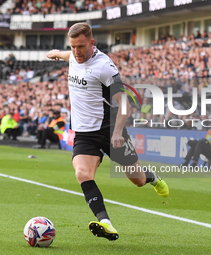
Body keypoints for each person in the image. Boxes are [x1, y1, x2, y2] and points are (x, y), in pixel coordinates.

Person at [46, 22, 169, 241]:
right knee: (82, 173)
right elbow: (70, 56)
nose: (76, 52)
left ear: (92, 43)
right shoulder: (74, 55)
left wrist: (118, 132)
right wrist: (58, 54)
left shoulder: (104, 67)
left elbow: (124, 104)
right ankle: (106, 222)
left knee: (137, 179)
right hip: (84, 133)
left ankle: (152, 178)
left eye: (81, 47)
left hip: (110, 129)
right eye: (73, 46)